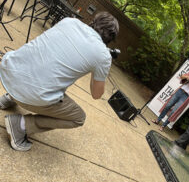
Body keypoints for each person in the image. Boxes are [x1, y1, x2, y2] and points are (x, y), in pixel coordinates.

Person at [0, 11, 119, 151]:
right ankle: (20, 125)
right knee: (78, 118)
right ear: (110, 38)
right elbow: (96, 94)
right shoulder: (103, 56)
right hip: (30, 94)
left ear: (94, 21)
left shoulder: (69, 21)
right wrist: (100, 68)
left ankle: (9, 97)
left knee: (51, 65)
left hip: (9, 72)